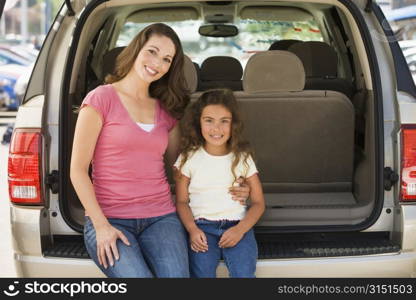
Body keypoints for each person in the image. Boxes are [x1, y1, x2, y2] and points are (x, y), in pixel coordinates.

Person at [70, 23, 249, 278]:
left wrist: (236, 185)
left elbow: (181, 169)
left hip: (161, 217)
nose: (157, 63)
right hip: (111, 218)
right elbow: (77, 170)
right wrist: (101, 226)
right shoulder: (101, 99)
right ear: (136, 50)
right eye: (152, 51)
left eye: (166, 59)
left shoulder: (165, 110)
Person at [174, 89, 265, 278]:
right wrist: (192, 229)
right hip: (202, 228)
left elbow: (258, 203)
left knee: (244, 274)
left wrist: (240, 230)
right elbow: (181, 201)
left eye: (224, 121)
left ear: (234, 125)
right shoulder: (189, 157)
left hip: (238, 226)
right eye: (209, 120)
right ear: (198, 123)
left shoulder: (242, 158)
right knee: (201, 274)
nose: (217, 128)